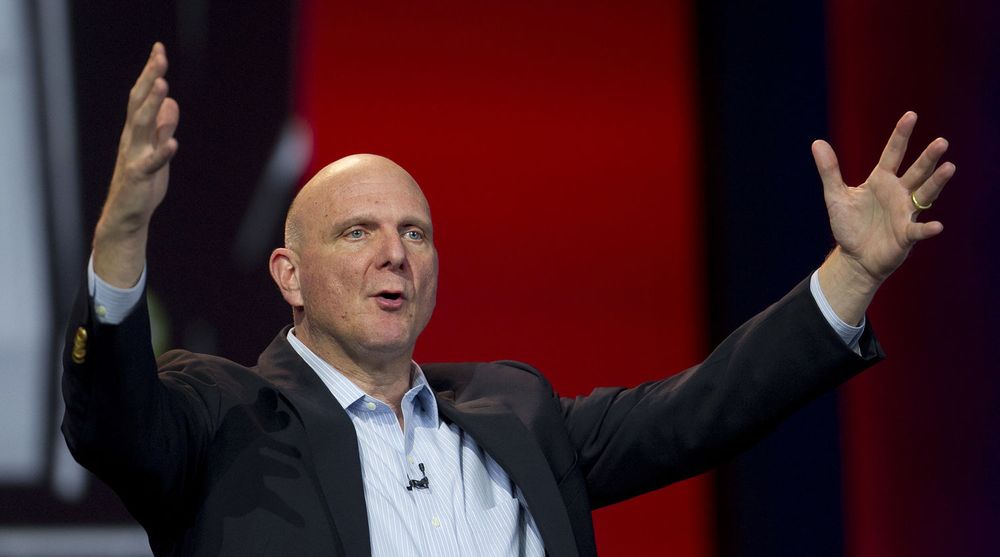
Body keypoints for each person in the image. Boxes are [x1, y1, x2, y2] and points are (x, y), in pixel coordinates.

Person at [62, 43, 953, 556]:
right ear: (288, 276)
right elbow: (110, 419)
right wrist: (121, 238)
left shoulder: (512, 410)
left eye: (415, 233)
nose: (394, 255)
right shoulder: (223, 419)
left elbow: (702, 410)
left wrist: (853, 272)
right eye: (356, 232)